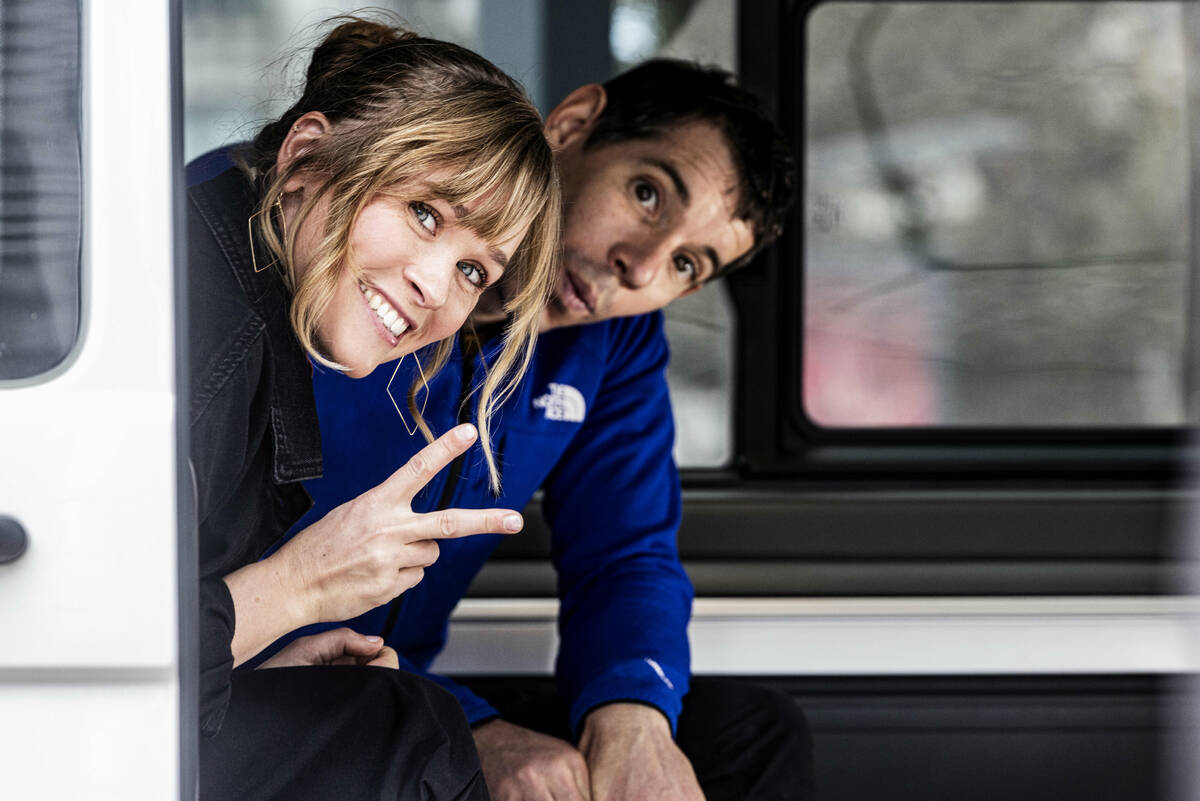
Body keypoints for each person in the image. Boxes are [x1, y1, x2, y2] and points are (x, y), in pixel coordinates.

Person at [265, 58, 808, 801]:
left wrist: (630, 717)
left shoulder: (615, 344)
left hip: (404, 686)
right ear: (572, 125)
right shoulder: (359, 273)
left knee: (749, 734)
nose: (641, 267)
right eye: (646, 195)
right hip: (275, 685)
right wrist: (467, 730)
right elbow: (228, 600)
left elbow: (626, 552)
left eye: (687, 262)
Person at [188, 18, 561, 800]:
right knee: (409, 732)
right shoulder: (203, 328)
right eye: (425, 212)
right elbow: (88, 645)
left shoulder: (246, 303)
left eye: (473, 269)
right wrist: (297, 585)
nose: (437, 285)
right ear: (304, 158)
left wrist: (257, 665)